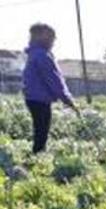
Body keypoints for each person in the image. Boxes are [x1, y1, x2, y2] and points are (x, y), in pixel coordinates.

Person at [22, 23, 78, 154]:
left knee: (40, 127)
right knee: (42, 128)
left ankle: (38, 153)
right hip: (39, 98)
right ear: (42, 37)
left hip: (32, 98)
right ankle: (38, 155)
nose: (53, 41)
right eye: (52, 38)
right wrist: (66, 98)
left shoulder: (33, 54)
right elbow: (53, 79)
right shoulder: (42, 55)